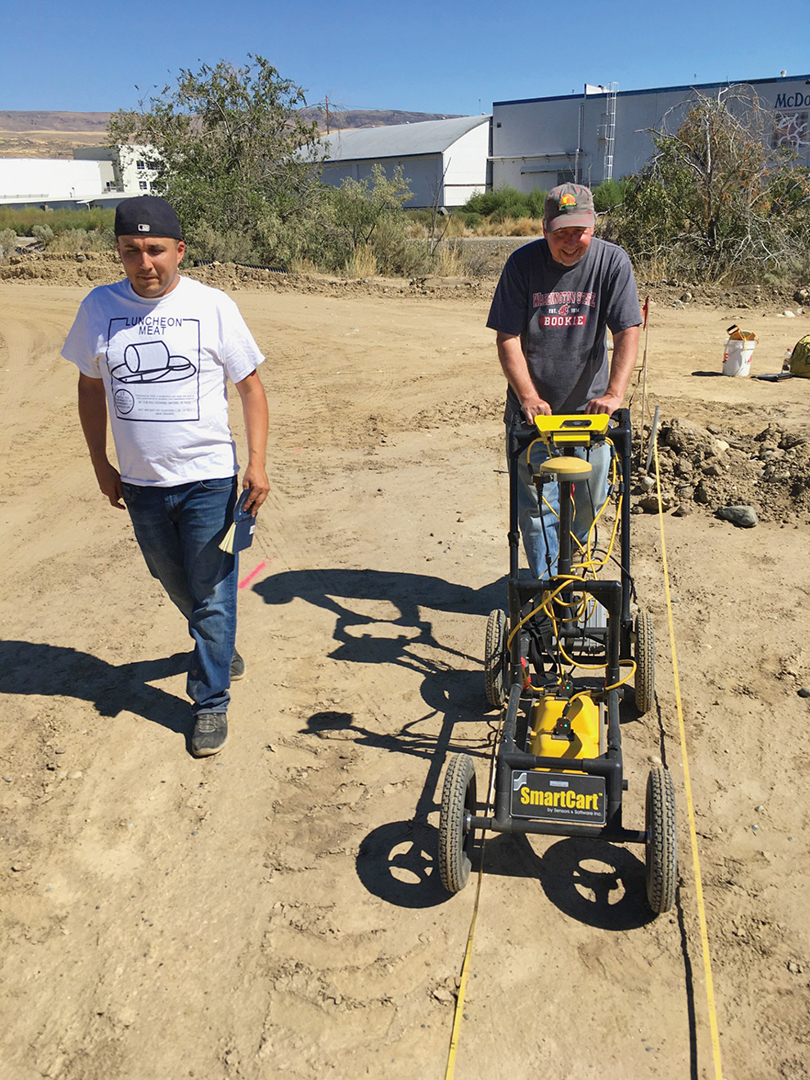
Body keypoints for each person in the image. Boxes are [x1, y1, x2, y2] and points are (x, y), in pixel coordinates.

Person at [62, 195, 269, 757]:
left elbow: (250, 387)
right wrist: (100, 463)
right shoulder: (99, 307)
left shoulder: (213, 305)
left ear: (179, 250)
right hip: (141, 484)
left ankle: (209, 700)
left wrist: (256, 463)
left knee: (213, 593)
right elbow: (89, 389)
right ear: (120, 253)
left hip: (208, 480)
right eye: (132, 251)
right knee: (170, 578)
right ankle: (216, 645)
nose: (145, 262)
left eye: (155, 250)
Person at [486, 182, 642, 579]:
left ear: (593, 226)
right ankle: (545, 589)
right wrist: (528, 398)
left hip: (591, 413)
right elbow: (508, 337)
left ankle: (573, 579)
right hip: (535, 417)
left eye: (580, 232)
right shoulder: (522, 266)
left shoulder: (612, 263)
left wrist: (614, 394)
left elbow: (627, 330)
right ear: (545, 229)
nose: (571, 242)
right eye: (561, 233)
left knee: (590, 499)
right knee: (538, 507)